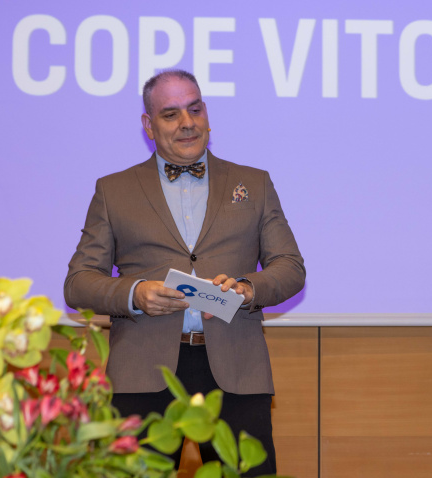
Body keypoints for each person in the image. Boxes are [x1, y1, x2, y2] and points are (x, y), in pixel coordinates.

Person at [64, 69, 305, 475]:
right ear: (148, 125)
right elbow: (78, 282)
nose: (187, 123)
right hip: (142, 372)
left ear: (207, 113)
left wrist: (248, 289)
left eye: (195, 109)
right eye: (171, 114)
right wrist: (135, 294)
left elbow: (291, 267)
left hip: (237, 371)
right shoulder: (113, 190)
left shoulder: (255, 183)